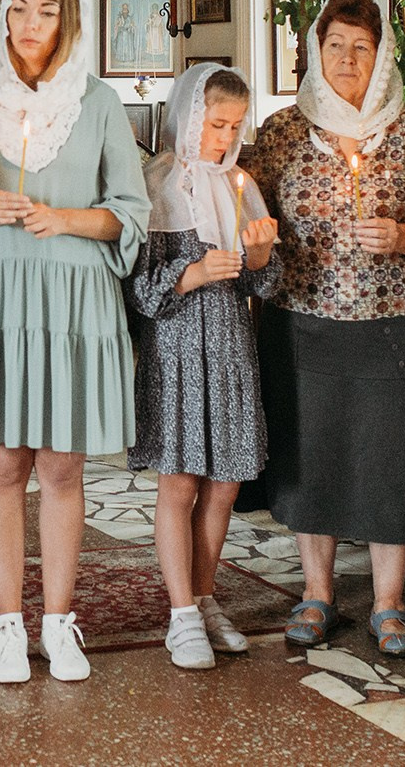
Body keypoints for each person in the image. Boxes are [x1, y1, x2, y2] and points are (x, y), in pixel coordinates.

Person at [0, 0, 150, 685]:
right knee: (2, 462)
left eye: (44, 12)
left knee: (60, 464)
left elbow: (130, 211)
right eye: (17, 9)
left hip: (72, 295)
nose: (27, 25)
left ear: (68, 21)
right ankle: (5, 626)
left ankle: (58, 621)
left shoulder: (98, 101)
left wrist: (66, 218)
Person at [240, 0, 405, 660]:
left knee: (391, 460)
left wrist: (401, 234)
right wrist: (249, 233)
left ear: (381, 55)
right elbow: (242, 207)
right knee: (315, 457)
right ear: (315, 50)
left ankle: (389, 602)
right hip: (303, 321)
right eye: (334, 44)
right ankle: (318, 592)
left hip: (396, 323)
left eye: (359, 47)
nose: (345, 58)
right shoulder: (282, 132)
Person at [124, 64, 282, 670]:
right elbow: (137, 290)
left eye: (235, 127)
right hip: (177, 350)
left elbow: (265, 283)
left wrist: (262, 254)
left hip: (232, 347)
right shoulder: (157, 183)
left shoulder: (240, 185)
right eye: (216, 124)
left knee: (224, 484)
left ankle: (206, 595)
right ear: (190, 117)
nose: (225, 138)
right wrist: (189, 275)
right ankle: (180, 614)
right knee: (181, 481)